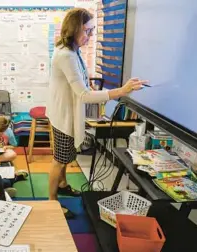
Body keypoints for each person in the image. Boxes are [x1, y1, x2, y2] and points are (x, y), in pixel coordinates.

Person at [46, 8, 147, 218]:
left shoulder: (72, 50)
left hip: (63, 112)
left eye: (92, 31)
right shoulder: (66, 55)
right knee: (60, 159)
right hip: (63, 115)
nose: (90, 37)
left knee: (66, 157)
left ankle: (63, 184)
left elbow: (80, 86)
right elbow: (83, 94)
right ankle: (52, 202)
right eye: (87, 31)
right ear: (74, 29)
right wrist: (121, 91)